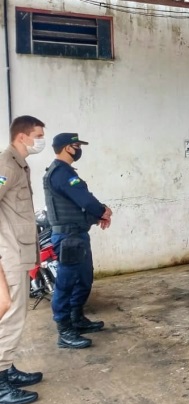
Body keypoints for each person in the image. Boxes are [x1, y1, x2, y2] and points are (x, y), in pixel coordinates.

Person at [43, 133, 112, 349]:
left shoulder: (66, 172)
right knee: (65, 284)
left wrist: (97, 215)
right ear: (67, 148)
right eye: (76, 145)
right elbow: (84, 199)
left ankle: (76, 318)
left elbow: (78, 203)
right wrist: (103, 211)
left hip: (77, 235)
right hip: (68, 237)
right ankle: (64, 332)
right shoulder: (61, 173)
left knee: (84, 278)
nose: (79, 149)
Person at [0, 115, 46, 404]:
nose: (41, 140)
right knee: (10, 317)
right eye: (38, 135)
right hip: (9, 254)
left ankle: (6, 368)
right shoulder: (6, 165)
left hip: (19, 251)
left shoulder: (19, 164)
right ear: (22, 136)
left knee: (17, 316)